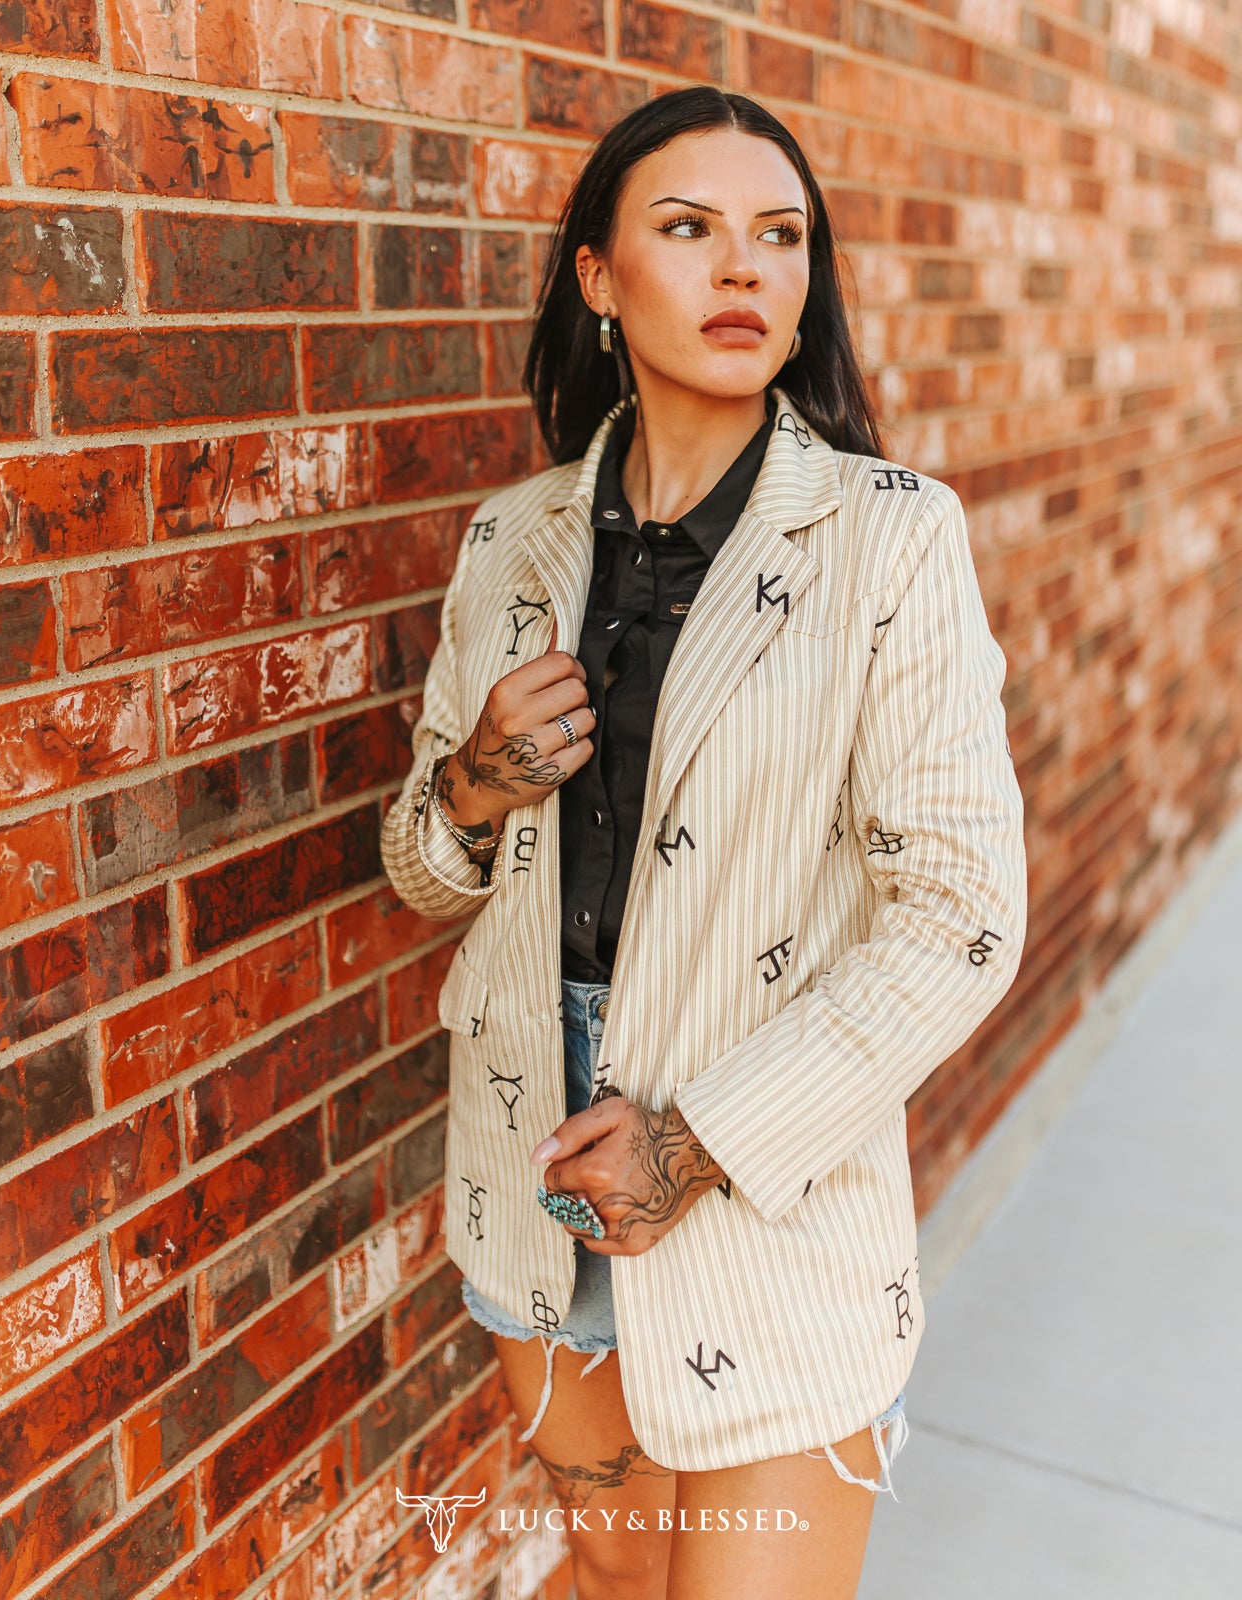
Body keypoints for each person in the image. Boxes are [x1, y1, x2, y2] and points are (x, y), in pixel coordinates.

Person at [380, 85, 1027, 1600]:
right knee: (616, 1577)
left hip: (761, 1160)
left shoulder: (890, 535)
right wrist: (472, 783)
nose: (743, 267)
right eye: (688, 229)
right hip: (530, 1157)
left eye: (779, 237)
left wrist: (694, 1144)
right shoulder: (511, 538)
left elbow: (961, 917)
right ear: (598, 278)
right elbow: (419, 870)